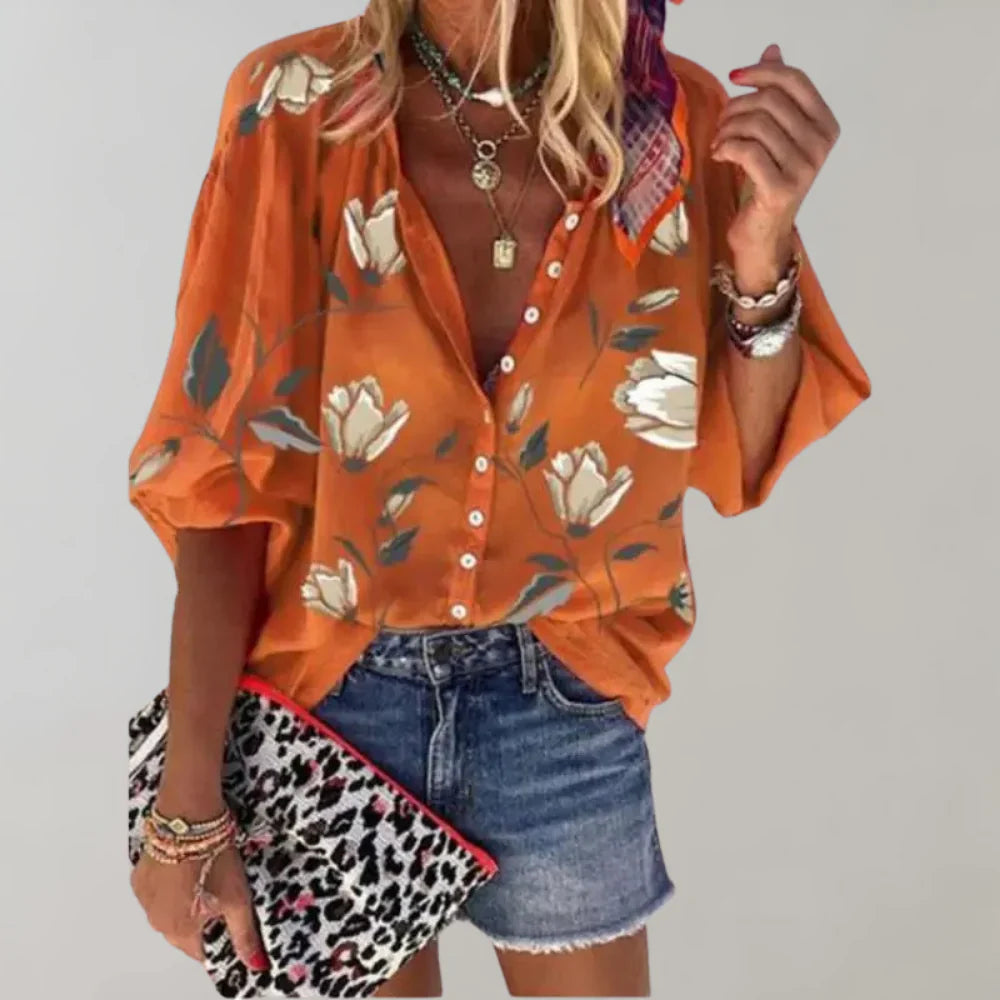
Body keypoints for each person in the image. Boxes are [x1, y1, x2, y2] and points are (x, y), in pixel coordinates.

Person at [127, 0, 870, 994]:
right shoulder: (293, 108)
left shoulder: (673, 127)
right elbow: (219, 484)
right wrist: (186, 807)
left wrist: (764, 244)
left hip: (564, 701)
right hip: (330, 701)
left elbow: (743, 447)